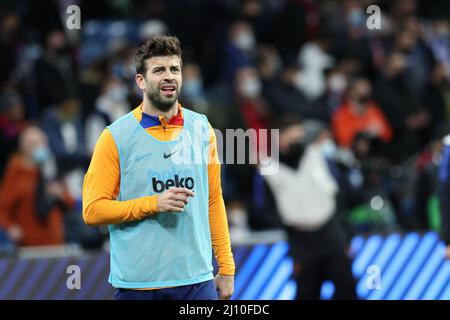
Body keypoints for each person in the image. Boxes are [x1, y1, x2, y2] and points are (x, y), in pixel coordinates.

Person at [82, 36, 235, 300]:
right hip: (138, 286)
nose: (169, 76)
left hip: (197, 282)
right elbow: (92, 210)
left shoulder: (201, 128)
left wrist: (227, 267)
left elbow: (213, 200)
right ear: (140, 80)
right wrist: (153, 203)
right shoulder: (115, 136)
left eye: (174, 69)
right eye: (159, 70)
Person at [260, 116, 357, 300]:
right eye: (293, 135)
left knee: (347, 289)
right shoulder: (268, 167)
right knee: (307, 293)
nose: (299, 139)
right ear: (279, 138)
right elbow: (263, 209)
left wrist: (345, 233)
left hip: (330, 232)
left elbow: (340, 193)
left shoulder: (316, 155)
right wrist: (289, 223)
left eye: (300, 134)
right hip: (301, 240)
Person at [0, 126, 74, 246]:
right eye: (33, 143)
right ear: (23, 146)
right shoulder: (15, 170)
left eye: (42, 141)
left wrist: (60, 194)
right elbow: (3, 208)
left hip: (55, 240)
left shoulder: (51, 169)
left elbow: (70, 202)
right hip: (28, 243)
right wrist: (10, 227)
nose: (39, 146)